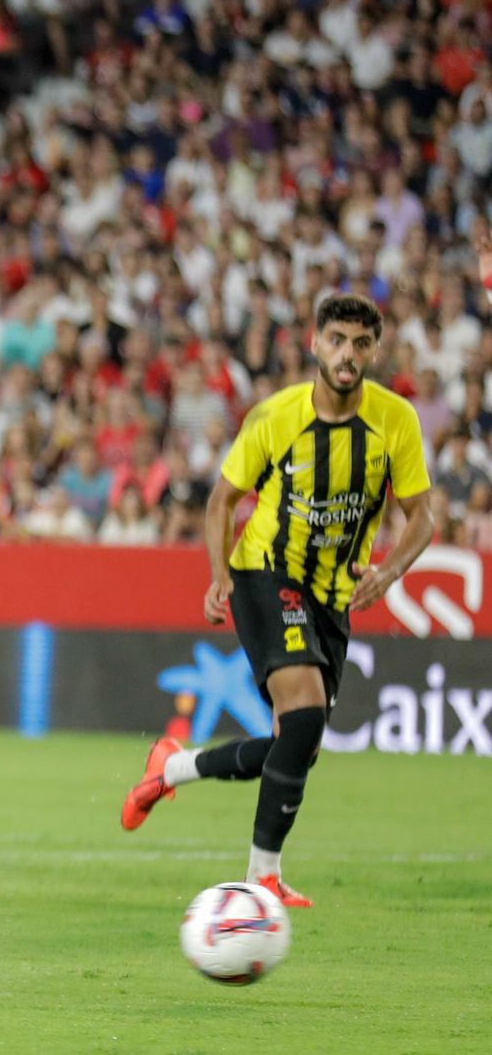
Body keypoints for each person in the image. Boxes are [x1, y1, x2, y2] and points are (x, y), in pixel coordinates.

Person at [120, 293, 436, 909]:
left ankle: (172, 768)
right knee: (305, 714)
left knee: (300, 741)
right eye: (338, 340)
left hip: (333, 594)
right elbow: (222, 500)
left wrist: (391, 571)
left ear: (375, 351)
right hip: (265, 571)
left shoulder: (395, 420)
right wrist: (217, 576)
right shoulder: (274, 416)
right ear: (315, 344)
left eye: (362, 344)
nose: (349, 354)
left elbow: (422, 517)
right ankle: (261, 876)